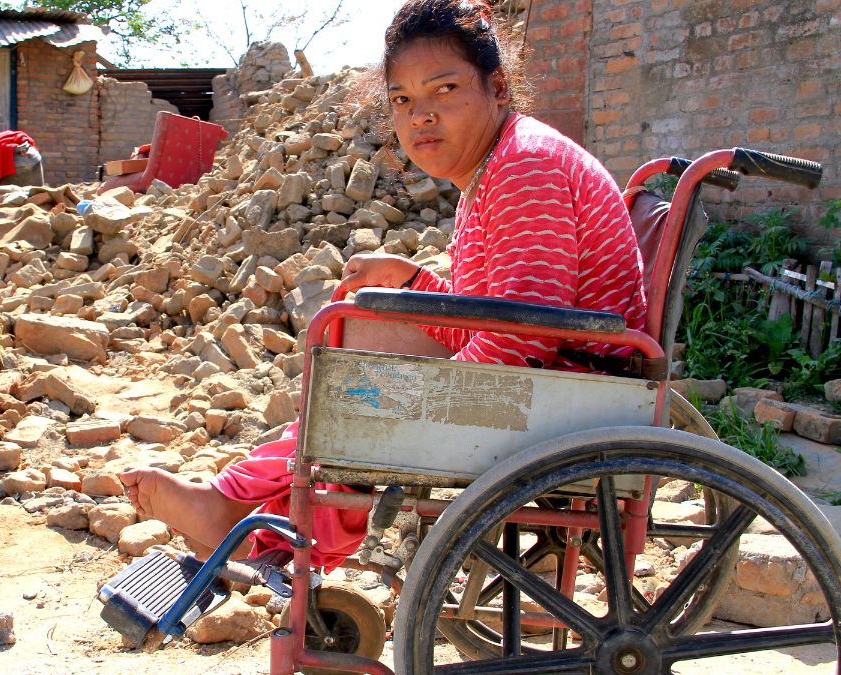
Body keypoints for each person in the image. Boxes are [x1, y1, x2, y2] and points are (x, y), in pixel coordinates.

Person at [120, 0, 648, 571]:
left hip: (574, 397)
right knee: (360, 347)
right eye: (402, 100)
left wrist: (413, 395)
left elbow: (524, 336)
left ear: (497, 87)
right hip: (555, 381)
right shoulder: (496, 168)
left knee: (363, 386)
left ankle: (263, 526)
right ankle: (249, 513)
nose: (420, 115)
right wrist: (414, 281)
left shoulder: (526, 166)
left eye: (444, 89)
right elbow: (495, 318)